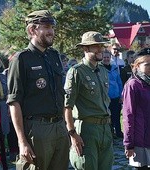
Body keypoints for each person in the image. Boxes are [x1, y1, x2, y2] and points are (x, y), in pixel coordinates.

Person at [7, 10, 69, 170]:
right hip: (37, 129)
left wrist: (66, 127)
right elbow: (14, 102)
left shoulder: (54, 56)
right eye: (47, 27)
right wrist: (22, 141)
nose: (51, 32)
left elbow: (60, 94)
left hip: (59, 127)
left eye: (52, 27)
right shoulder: (21, 59)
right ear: (32, 30)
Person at [64, 31, 113, 170]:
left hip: (105, 128)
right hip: (87, 129)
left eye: (101, 46)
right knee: (87, 166)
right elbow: (67, 106)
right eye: (96, 46)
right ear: (85, 49)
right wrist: (73, 134)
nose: (101, 50)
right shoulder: (76, 72)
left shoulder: (103, 71)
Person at [122, 48, 150, 169]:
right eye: (147, 64)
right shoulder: (133, 84)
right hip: (141, 142)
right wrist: (128, 144)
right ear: (137, 66)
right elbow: (128, 115)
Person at [101, 49, 123, 138]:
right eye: (104, 57)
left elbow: (119, 82)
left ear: (110, 58)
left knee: (117, 115)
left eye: (108, 57)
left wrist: (121, 95)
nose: (106, 59)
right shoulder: (100, 69)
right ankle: (109, 133)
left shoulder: (114, 68)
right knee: (108, 117)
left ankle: (118, 132)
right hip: (106, 97)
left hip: (116, 96)